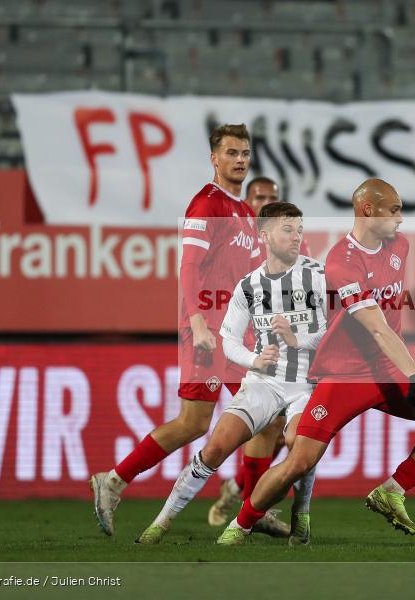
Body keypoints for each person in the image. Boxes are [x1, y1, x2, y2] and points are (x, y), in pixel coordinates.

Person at [216, 178, 415, 545]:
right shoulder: (341, 261)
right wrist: (414, 373)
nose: (401, 219)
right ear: (368, 210)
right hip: (344, 376)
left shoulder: (399, 246)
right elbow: (375, 327)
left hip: (388, 369)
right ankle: (240, 526)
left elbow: (389, 325)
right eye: (395, 210)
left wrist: (408, 371)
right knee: (298, 462)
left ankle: (393, 490)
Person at [88, 123, 285, 537]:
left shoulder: (246, 213)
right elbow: (189, 267)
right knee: (195, 422)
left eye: (244, 153)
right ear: (214, 159)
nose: (240, 160)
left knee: (268, 421)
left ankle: (253, 506)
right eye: (231, 153)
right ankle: (113, 482)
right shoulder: (206, 204)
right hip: (207, 332)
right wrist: (196, 322)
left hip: (235, 333)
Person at [137, 202, 325, 546]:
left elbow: (331, 331)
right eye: (288, 229)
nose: (297, 236)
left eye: (299, 229)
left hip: (306, 386)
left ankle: (302, 515)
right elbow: (228, 341)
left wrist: (298, 339)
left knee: (300, 445)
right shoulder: (249, 286)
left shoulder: (317, 276)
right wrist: (254, 360)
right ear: (264, 236)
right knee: (215, 448)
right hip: (264, 382)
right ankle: (159, 525)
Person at [207, 176, 309, 527]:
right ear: (245, 203)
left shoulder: (285, 244)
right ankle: (251, 505)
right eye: (259, 196)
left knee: (278, 428)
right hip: (241, 347)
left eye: (272, 198)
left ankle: (240, 492)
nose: (265, 202)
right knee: (267, 426)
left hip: (274, 349)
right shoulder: (231, 240)